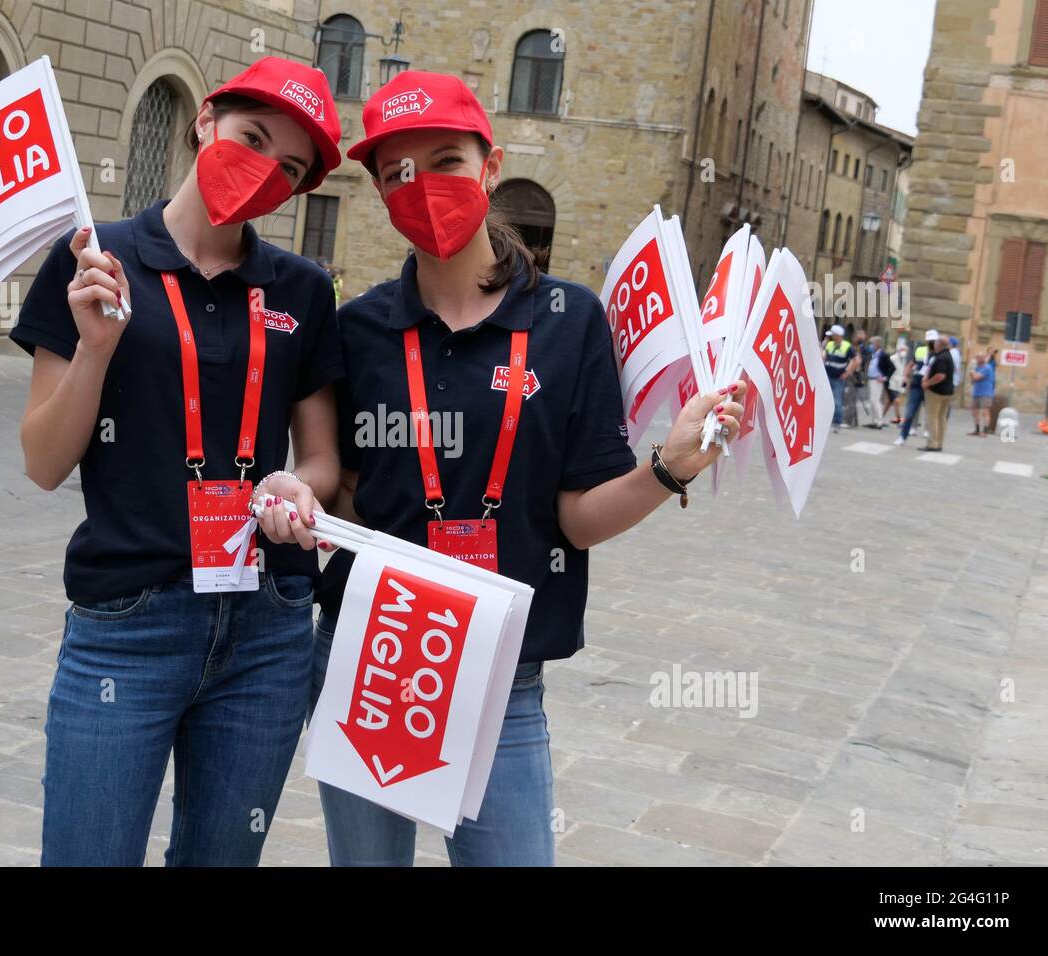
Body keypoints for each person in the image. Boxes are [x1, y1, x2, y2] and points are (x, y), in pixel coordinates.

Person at [307, 70, 745, 867]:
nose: (422, 185)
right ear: (375, 188)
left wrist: (669, 467)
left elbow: (576, 515)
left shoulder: (568, 320)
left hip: (500, 685)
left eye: (445, 160)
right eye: (396, 172)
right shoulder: (357, 328)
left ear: (490, 165)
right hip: (371, 658)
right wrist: (293, 492)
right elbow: (341, 491)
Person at [9, 57, 346, 866]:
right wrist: (96, 349)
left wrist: (302, 487)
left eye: (289, 168)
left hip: (265, 628)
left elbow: (325, 457)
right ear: (205, 120)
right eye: (252, 138)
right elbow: (43, 461)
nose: (263, 169)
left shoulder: (303, 289)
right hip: (128, 621)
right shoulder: (94, 257)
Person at [894, 329, 936, 446]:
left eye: (933, 340)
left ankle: (928, 432)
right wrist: (905, 377)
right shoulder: (920, 350)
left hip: (930, 386)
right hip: (917, 384)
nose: (931, 342)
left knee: (930, 411)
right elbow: (910, 364)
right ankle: (903, 436)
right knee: (910, 411)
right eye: (929, 340)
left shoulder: (939, 353)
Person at [921, 332, 956, 452]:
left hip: (936, 392)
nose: (933, 343)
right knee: (941, 418)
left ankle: (932, 444)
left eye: (935, 342)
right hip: (947, 392)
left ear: (940, 344)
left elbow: (940, 375)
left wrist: (927, 383)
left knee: (932, 418)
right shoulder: (948, 355)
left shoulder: (941, 357)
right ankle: (939, 443)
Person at [823, 324, 854, 433]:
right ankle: (825, 420)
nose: (831, 336)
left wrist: (847, 372)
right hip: (827, 375)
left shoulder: (847, 346)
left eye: (833, 335)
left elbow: (854, 360)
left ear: (838, 335)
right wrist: (823, 345)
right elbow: (824, 357)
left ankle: (837, 422)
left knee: (837, 400)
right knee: (825, 399)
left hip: (838, 377)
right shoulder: (829, 344)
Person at [866, 335, 895, 428]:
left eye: (872, 344)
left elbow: (892, 368)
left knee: (875, 400)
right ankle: (874, 420)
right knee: (872, 400)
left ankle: (879, 421)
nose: (870, 346)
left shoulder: (883, 355)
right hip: (872, 379)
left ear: (877, 344)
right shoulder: (874, 355)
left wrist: (885, 377)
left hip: (877, 380)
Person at [968, 351, 995, 436]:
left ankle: (985, 431)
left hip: (985, 393)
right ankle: (977, 429)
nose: (978, 359)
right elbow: (972, 380)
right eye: (978, 357)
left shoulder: (987, 368)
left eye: (980, 357)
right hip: (976, 392)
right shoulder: (977, 368)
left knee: (985, 412)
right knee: (974, 412)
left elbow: (976, 377)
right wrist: (973, 373)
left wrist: (971, 370)